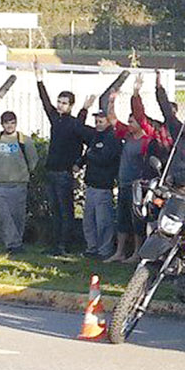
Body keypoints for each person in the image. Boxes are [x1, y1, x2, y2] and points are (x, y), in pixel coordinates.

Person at [34, 61, 95, 253]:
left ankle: (64, 244)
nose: (60, 105)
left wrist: (79, 162)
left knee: (65, 211)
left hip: (64, 173)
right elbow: (45, 103)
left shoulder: (74, 123)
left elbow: (89, 139)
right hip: (51, 171)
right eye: (59, 102)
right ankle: (55, 244)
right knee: (55, 211)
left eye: (64, 103)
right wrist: (39, 79)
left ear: (70, 106)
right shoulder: (56, 118)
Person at [114, 74, 160, 261]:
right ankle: (120, 252)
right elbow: (112, 120)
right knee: (122, 220)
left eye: (132, 121)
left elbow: (140, 114)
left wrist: (136, 93)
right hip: (124, 183)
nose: (129, 123)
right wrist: (112, 101)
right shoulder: (127, 136)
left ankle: (137, 253)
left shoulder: (147, 139)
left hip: (137, 186)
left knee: (137, 221)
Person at [0, 110, 39, 253]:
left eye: (12, 123)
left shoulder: (24, 140)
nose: (9, 126)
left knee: (18, 216)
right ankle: (12, 244)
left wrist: (24, 173)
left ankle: (17, 243)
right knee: (4, 215)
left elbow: (33, 159)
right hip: (0, 184)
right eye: (6, 123)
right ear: (2, 124)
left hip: (19, 184)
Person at [80, 110, 123, 259]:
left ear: (108, 121)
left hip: (103, 185)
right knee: (89, 219)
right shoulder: (95, 136)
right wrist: (81, 162)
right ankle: (92, 247)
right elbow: (89, 154)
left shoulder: (113, 138)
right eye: (96, 122)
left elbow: (106, 159)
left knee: (103, 221)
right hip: (91, 183)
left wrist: (92, 154)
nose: (98, 125)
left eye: (101, 121)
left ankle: (104, 249)